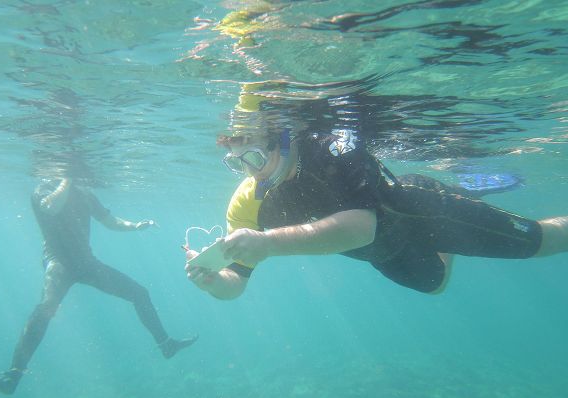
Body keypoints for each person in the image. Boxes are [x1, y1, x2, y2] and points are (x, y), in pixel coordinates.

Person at [185, 121, 568, 300]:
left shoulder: (329, 148)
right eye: (236, 163)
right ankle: (464, 192)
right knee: (434, 286)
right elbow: (236, 282)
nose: (249, 171)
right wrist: (214, 282)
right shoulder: (247, 205)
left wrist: (268, 243)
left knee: (543, 241)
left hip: (422, 211)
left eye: (253, 157)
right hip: (383, 251)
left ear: (282, 140)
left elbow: (360, 227)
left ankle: (453, 191)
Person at [0, 178, 197, 395]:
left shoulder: (85, 193)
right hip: (58, 262)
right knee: (46, 307)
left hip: (86, 263)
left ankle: (166, 345)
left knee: (139, 293)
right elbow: (51, 207)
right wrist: (67, 179)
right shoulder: (44, 188)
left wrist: (135, 226)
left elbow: (110, 221)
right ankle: (14, 373)